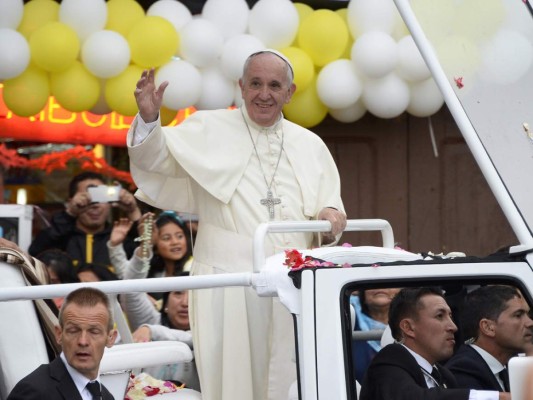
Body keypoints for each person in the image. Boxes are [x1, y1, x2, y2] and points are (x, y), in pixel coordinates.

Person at [127, 49, 347, 400]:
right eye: (255, 84)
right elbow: (157, 160)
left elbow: (330, 206)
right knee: (234, 380)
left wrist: (332, 216)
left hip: (296, 285)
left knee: (295, 378)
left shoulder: (311, 144)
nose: (264, 94)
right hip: (227, 281)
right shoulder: (209, 127)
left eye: (275, 85)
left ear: (289, 93)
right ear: (241, 87)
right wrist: (150, 118)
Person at [359, 287, 510, 400]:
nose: (453, 327)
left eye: (450, 316)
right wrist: (498, 398)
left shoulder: (444, 375)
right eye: (440, 316)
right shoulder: (389, 360)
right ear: (408, 327)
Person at [7, 287, 117, 400]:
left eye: (94, 332)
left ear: (111, 338)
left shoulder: (105, 396)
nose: (83, 341)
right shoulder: (34, 391)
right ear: (59, 334)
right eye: (73, 331)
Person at [28, 171, 142, 275]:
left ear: (110, 202)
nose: (95, 205)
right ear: (70, 202)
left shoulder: (120, 238)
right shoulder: (59, 237)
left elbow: (148, 259)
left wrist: (133, 211)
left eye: (100, 197)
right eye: (88, 198)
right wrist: (70, 213)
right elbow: (35, 255)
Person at [446, 285, 533, 392]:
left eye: (528, 315)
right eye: (518, 315)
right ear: (488, 327)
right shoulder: (463, 371)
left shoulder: (508, 367)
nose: (530, 323)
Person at [351, 288, 400, 382]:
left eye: (388, 282)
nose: (380, 288)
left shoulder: (415, 321)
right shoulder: (346, 314)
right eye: (371, 285)